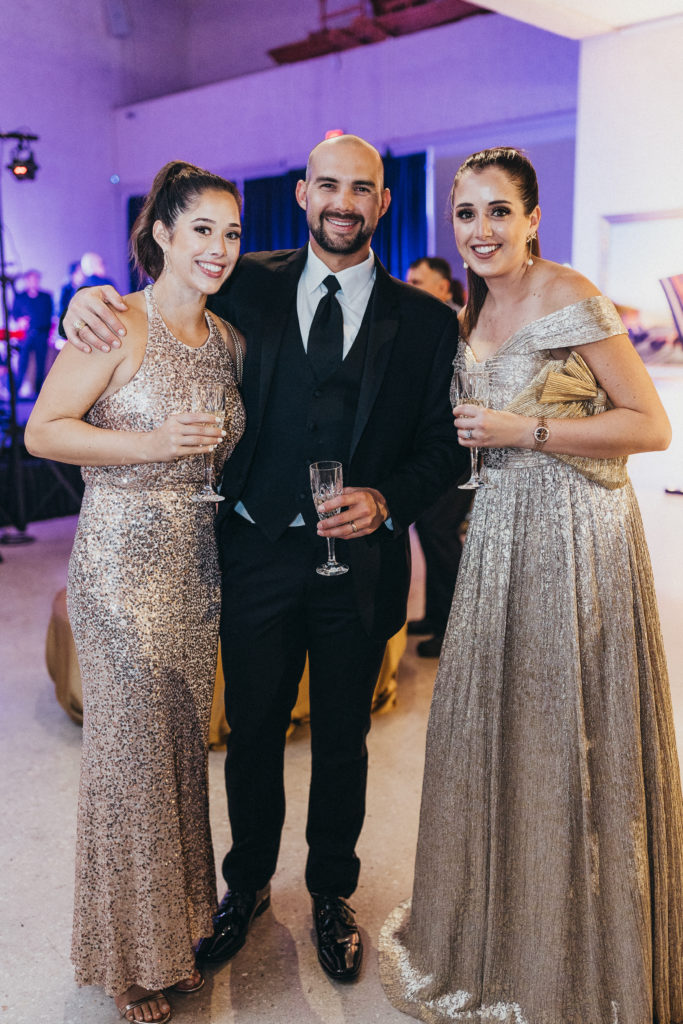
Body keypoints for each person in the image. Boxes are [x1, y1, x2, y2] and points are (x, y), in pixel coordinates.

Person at [61, 133, 467, 983]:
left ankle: (330, 893)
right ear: (303, 194)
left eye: (362, 188)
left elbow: (442, 446)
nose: (344, 202)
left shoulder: (429, 320)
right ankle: (243, 887)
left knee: (345, 739)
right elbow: (158, 294)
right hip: (252, 553)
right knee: (251, 735)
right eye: (329, 185)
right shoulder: (240, 280)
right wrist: (87, 301)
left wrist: (386, 500)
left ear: (384, 202)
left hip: (360, 565)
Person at [379, 147, 683, 1023]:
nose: (480, 230)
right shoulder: (467, 309)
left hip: (578, 536)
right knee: (496, 724)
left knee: (570, 730)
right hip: (497, 536)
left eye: (498, 211)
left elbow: (649, 425)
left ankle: (585, 950)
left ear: (532, 218)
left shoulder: (568, 294)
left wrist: (526, 430)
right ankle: (507, 927)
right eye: (465, 213)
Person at [26, 161, 246, 1023]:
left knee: (179, 759)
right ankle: (126, 961)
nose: (218, 247)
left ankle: (176, 935)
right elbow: (45, 431)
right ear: (161, 233)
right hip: (120, 569)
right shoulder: (114, 321)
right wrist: (151, 446)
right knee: (129, 765)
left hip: (195, 567)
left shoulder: (227, 340)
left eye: (231, 232)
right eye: (201, 229)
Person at [405, 256, 471, 658]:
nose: (409, 286)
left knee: (440, 531)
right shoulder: (428, 322)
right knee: (431, 530)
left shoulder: (454, 326)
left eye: (418, 281)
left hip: (461, 448)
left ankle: (452, 629)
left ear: (443, 287)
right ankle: (434, 616)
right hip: (438, 446)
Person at [11, 269, 54, 395]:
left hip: (42, 334)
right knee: (22, 363)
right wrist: (20, 321)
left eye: (36, 279)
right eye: (31, 279)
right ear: (26, 281)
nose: (33, 282)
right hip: (26, 335)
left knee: (41, 364)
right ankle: (15, 392)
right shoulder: (20, 297)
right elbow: (15, 314)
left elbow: (49, 315)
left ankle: (38, 392)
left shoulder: (46, 297)